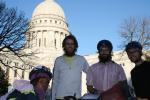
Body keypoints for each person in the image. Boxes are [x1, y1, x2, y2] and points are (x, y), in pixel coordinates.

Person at [52, 35, 89, 100]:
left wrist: (90, 88)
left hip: (75, 96)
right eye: (67, 44)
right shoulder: (58, 60)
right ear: (64, 46)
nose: (70, 46)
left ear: (75, 46)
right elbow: (55, 81)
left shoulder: (81, 59)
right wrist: (53, 98)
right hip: (60, 96)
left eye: (72, 44)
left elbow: (90, 73)